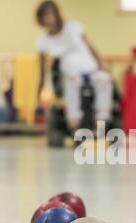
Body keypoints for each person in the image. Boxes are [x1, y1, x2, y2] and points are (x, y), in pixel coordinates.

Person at [36, 1, 113, 134]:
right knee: (71, 84)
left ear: (57, 14)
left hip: (91, 70)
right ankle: (75, 126)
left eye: (51, 15)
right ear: (41, 20)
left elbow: (91, 47)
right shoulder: (43, 41)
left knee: (105, 79)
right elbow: (42, 70)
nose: (49, 19)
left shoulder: (74, 27)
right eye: (45, 17)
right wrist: (38, 94)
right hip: (70, 74)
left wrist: (101, 65)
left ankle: (100, 126)